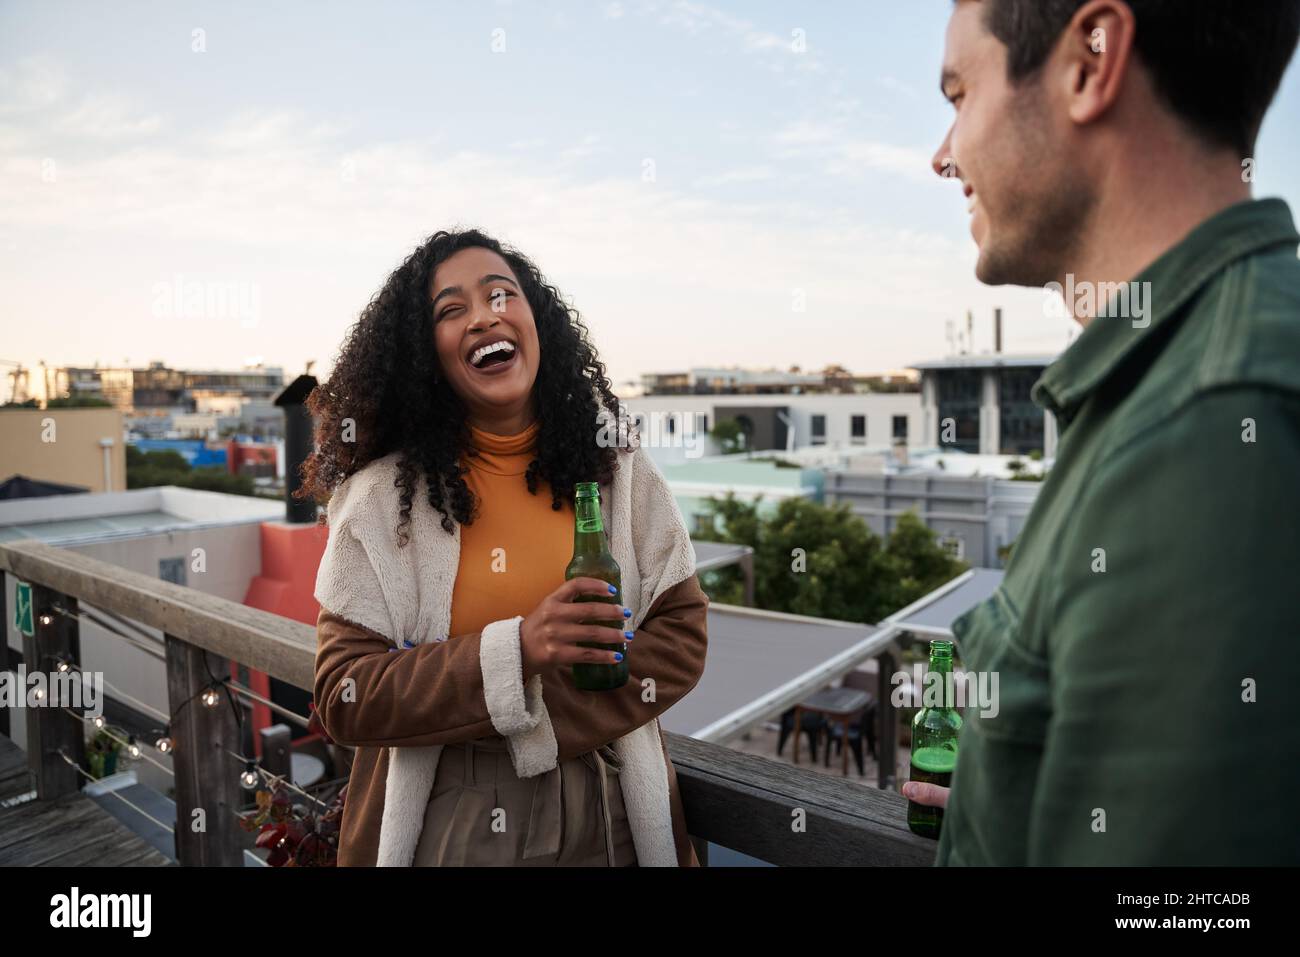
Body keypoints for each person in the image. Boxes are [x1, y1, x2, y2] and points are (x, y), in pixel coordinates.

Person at [908, 0, 1300, 864]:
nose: (943, 156)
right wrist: (1000, 788)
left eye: (959, 94)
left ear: (1092, 60)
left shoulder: (1206, 427)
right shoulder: (1175, 385)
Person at [301, 229, 708, 866]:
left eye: (500, 294)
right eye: (451, 309)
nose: (484, 316)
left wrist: (546, 722)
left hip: (613, 803)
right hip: (454, 807)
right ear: (422, 353)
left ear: (535, 318)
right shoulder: (380, 499)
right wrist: (518, 650)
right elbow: (347, 692)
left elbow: (681, 636)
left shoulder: (619, 471)